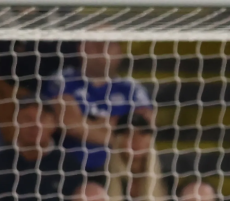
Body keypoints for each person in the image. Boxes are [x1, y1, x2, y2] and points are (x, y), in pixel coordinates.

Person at [42, 38, 154, 171]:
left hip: (122, 169)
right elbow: (70, 123)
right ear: (81, 48)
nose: (102, 48)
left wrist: (89, 121)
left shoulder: (132, 87)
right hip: (70, 169)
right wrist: (119, 129)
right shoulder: (63, 79)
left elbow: (145, 127)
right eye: (95, 42)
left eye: (109, 43)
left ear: (120, 50)